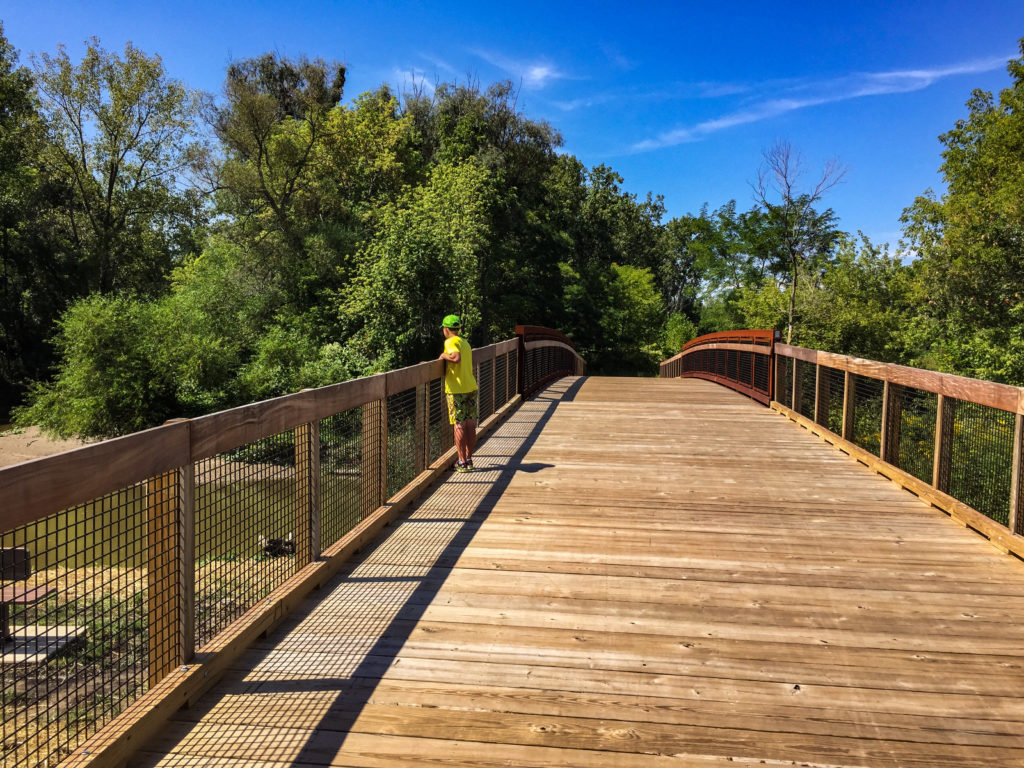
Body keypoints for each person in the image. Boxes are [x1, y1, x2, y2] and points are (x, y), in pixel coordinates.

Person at [438, 314, 478, 472]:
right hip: (470, 387)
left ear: (446, 329)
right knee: (469, 422)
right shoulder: (465, 342)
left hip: (457, 390)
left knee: (459, 424)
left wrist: (443, 356)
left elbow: (456, 358)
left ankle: (461, 462)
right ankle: (468, 458)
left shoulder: (450, 341)